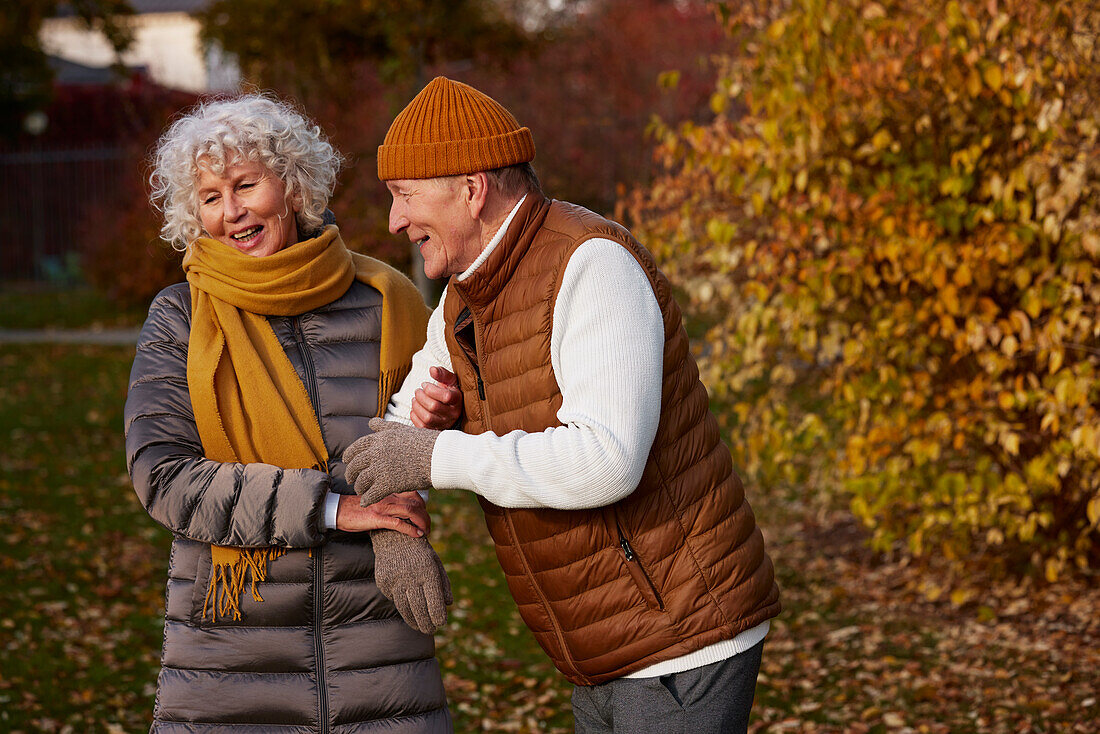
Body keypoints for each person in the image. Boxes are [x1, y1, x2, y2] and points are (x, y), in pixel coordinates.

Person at [343, 76, 782, 734]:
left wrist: (438, 456)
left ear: (471, 188)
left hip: (680, 633)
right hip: (599, 638)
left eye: (405, 196)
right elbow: (406, 423)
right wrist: (394, 522)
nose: (394, 220)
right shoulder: (466, 296)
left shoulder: (591, 265)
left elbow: (607, 460)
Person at [124, 93, 454, 733]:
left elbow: (414, 439)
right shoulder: (182, 318)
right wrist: (334, 508)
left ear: (295, 186)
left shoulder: (387, 300)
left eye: (247, 185)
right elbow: (162, 476)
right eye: (211, 198)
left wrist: (439, 421)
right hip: (234, 654)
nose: (232, 212)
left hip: (377, 638)